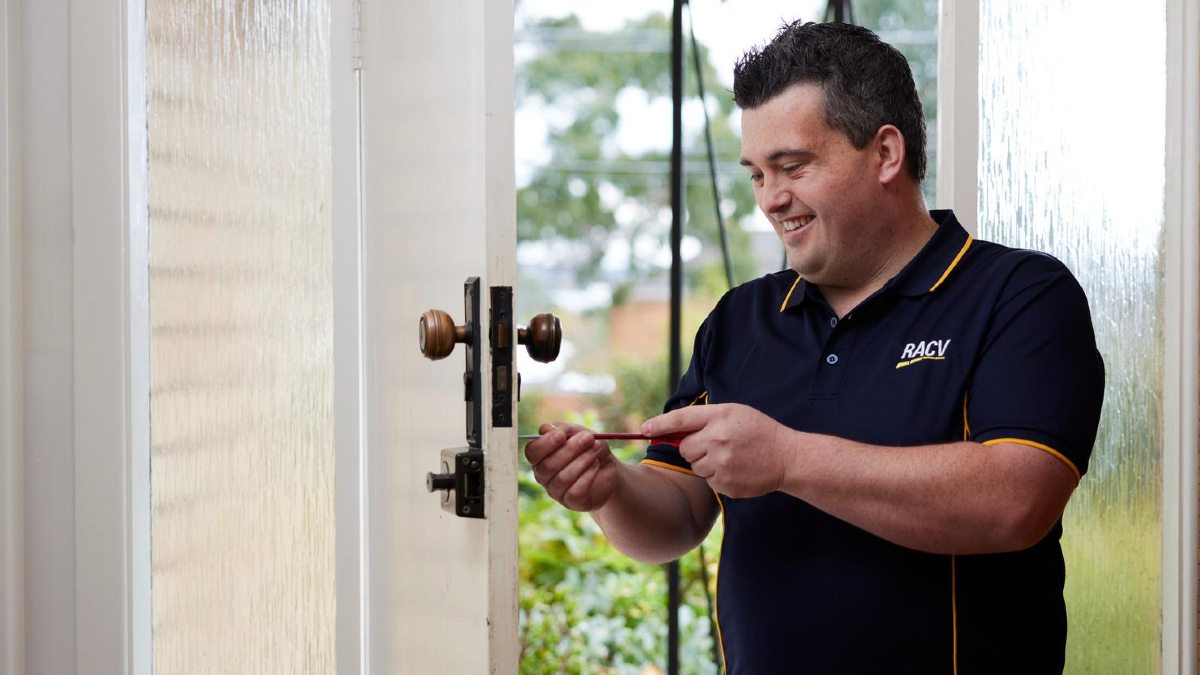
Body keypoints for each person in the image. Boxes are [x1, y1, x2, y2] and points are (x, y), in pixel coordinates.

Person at [524, 20, 1104, 675]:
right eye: (756, 175)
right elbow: (677, 514)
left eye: (792, 166)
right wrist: (609, 490)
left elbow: (1015, 501)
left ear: (885, 153)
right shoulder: (740, 319)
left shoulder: (1019, 294)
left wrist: (787, 459)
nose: (771, 199)